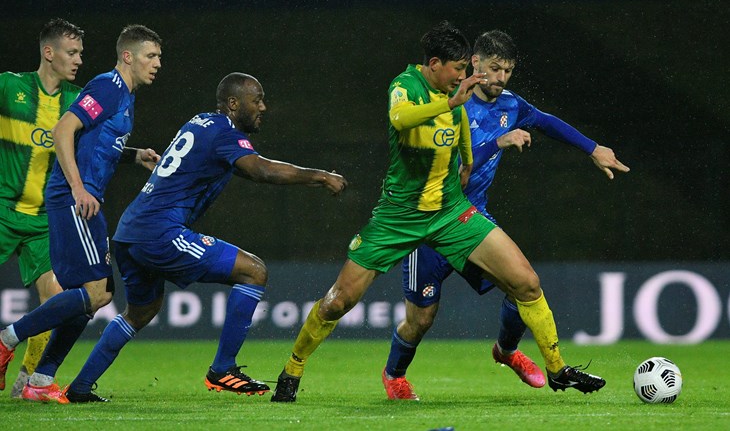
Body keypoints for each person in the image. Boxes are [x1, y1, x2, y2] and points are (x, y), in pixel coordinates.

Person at [271, 21, 610, 403]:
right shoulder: (406, 86)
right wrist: (455, 107)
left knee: (526, 282)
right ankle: (293, 369)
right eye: (459, 70)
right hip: (399, 218)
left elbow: (466, 143)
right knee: (341, 302)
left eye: (469, 70)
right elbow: (400, 120)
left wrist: (467, 162)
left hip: (452, 214)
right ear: (435, 64)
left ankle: (557, 368)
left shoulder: (467, 99)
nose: (466, 77)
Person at [56, 72, 347, 403]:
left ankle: (79, 389)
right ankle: (222, 368)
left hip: (129, 231)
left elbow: (244, 167)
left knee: (140, 311)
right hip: (159, 233)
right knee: (254, 271)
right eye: (257, 100)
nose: (263, 106)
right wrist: (320, 176)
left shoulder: (202, 122)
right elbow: (260, 170)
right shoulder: (225, 132)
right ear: (234, 104)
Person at [382, 29, 630, 400]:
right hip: (429, 225)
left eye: (508, 71)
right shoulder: (446, 103)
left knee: (524, 285)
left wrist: (592, 148)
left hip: (471, 219)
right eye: (494, 68)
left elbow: (546, 121)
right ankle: (394, 375)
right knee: (420, 321)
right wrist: (498, 141)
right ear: (474, 64)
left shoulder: (510, 105)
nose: (500, 78)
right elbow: (449, 166)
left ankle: (508, 351)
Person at [0, 24, 163, 403]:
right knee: (95, 292)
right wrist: (77, 187)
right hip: (74, 199)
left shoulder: (123, 95)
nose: (157, 64)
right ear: (128, 56)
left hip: (83, 200)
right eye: (151, 56)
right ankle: (8, 338)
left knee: (94, 293)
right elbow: (62, 131)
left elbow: (95, 139)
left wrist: (133, 154)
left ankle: (40, 381)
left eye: (158, 57)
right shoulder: (107, 86)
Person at [0, 18, 85, 397]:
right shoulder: (9, 86)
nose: (79, 59)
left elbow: (98, 149)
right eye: (72, 52)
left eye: (81, 52)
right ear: (49, 53)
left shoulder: (77, 101)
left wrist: (136, 157)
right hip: (2, 211)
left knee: (56, 299)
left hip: (43, 221)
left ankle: (25, 385)